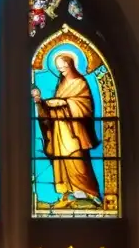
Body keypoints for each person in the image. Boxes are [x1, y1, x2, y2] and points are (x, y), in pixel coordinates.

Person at [32, 52, 102, 206]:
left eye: (64, 67)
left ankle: (89, 192)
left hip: (74, 131)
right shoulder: (61, 84)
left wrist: (65, 103)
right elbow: (51, 110)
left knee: (77, 159)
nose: (61, 70)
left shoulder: (80, 83)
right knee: (63, 160)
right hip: (59, 130)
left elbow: (85, 107)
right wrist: (40, 102)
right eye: (59, 68)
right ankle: (71, 192)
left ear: (71, 65)